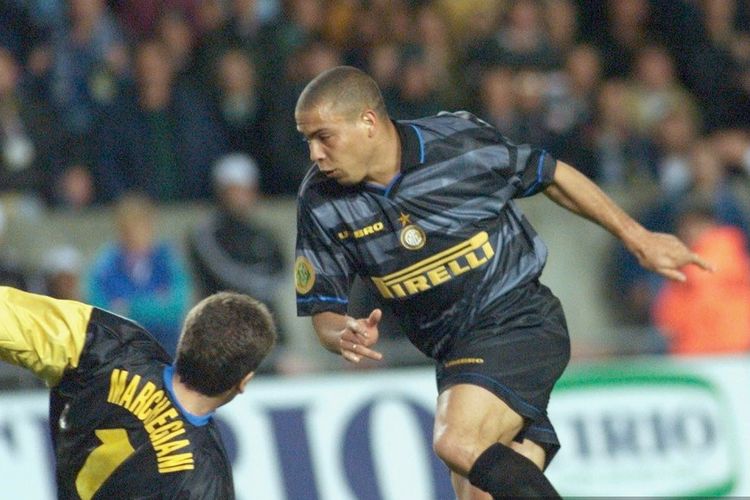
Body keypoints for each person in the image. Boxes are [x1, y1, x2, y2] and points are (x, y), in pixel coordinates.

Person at [293, 66, 713, 499]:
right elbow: (323, 308)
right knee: (479, 493)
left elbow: (551, 175)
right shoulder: (321, 200)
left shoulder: (457, 143)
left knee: (454, 440)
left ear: (367, 122)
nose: (314, 154)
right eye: (306, 139)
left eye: (324, 137)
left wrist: (637, 237)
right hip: (454, 352)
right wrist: (340, 333)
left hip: (518, 318)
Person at [0, 285, 276, 499]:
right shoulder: (207, 482)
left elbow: (10, 317)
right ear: (243, 382)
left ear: (186, 335)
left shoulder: (111, 345)